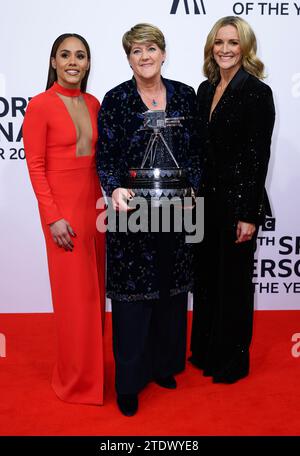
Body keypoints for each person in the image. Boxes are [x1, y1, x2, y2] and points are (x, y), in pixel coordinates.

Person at [97, 23, 201, 416]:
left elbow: (196, 151)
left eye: (151, 49)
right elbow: (105, 157)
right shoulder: (117, 98)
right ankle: (129, 382)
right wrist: (113, 187)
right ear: (128, 58)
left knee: (171, 290)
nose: (144, 57)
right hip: (131, 209)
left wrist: (194, 186)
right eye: (136, 51)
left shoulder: (186, 96)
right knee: (131, 297)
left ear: (163, 52)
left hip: (181, 208)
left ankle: (162, 365)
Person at [190, 16, 275, 383]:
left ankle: (231, 361)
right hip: (205, 202)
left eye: (233, 43)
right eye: (219, 42)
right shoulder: (204, 90)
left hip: (238, 202)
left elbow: (259, 157)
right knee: (207, 278)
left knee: (235, 283)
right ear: (212, 46)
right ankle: (207, 350)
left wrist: (248, 213)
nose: (225, 49)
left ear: (245, 48)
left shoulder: (257, 92)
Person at [23, 34, 105, 404]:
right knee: (74, 301)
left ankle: (94, 373)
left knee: (93, 297)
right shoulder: (39, 106)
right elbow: (36, 168)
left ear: (88, 64)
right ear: (54, 61)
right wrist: (52, 218)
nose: (73, 61)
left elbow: (101, 162)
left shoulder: (94, 103)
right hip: (63, 216)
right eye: (65, 55)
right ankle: (75, 380)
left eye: (80, 55)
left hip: (96, 210)